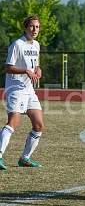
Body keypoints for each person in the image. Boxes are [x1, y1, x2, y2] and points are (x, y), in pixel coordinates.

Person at [0, 15, 44, 170]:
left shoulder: (36, 45)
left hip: (29, 90)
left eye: (37, 27)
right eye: (32, 26)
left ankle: (25, 158)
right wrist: (26, 71)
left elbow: (36, 64)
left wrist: (38, 70)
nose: (35, 29)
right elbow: (8, 67)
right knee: (13, 123)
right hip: (16, 89)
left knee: (38, 125)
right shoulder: (17, 44)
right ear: (25, 27)